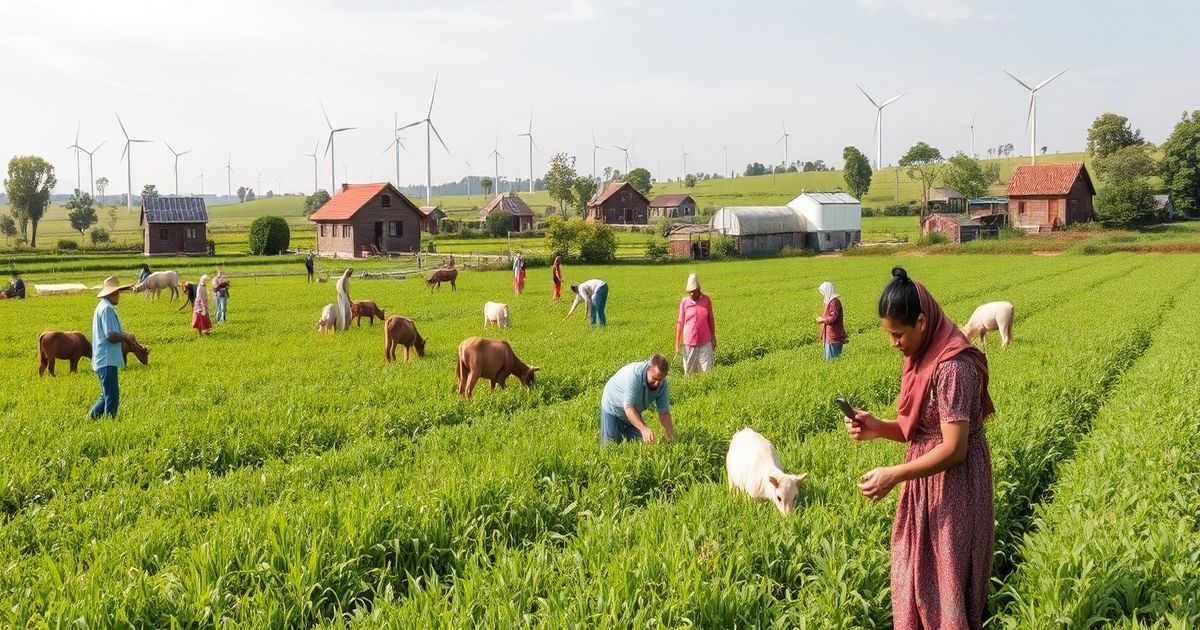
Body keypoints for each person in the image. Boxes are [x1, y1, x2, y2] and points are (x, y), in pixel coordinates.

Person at [843, 267, 995, 630]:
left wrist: (893, 475)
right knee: (913, 575)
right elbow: (922, 432)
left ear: (923, 322)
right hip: (924, 483)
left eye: (898, 334)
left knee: (946, 585)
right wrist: (877, 427)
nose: (893, 343)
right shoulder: (923, 359)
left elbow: (955, 448)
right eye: (889, 335)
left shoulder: (953, 368)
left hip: (955, 490)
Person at [600, 353, 676, 444]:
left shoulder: (662, 385)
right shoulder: (635, 376)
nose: (657, 383)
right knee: (611, 445)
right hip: (613, 407)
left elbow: (664, 413)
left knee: (640, 443)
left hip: (633, 410)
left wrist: (672, 436)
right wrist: (643, 429)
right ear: (648, 369)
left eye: (660, 380)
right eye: (655, 378)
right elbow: (628, 407)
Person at [90, 276, 138, 418]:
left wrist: (124, 334)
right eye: (117, 292)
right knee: (112, 396)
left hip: (104, 358)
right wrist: (126, 337)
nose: (119, 295)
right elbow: (110, 335)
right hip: (106, 359)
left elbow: (111, 331)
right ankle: (109, 424)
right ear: (110, 294)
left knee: (106, 394)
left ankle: (91, 419)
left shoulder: (103, 306)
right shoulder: (107, 309)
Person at [675, 273, 716, 374]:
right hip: (689, 341)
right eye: (689, 292)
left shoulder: (706, 300)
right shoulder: (684, 302)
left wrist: (713, 336)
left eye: (693, 291)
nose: (691, 294)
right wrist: (677, 343)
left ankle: (707, 387)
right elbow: (680, 322)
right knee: (689, 370)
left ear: (698, 289)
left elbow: (711, 318)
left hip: (705, 340)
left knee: (707, 370)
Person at [816, 281, 848, 361]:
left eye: (823, 292)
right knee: (829, 360)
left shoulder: (835, 302)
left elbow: (833, 317)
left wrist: (822, 319)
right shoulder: (830, 302)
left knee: (832, 360)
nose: (822, 294)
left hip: (833, 335)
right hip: (829, 335)